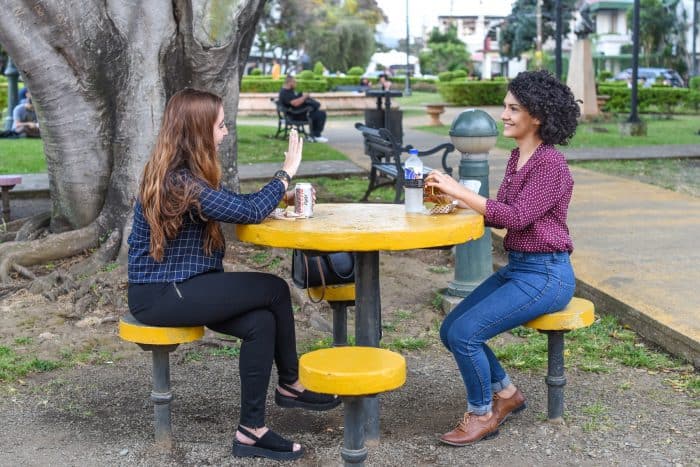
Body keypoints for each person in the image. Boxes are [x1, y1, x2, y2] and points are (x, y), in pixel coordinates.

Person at [127, 89, 340, 461]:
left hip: (185, 286)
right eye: (220, 125)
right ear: (197, 131)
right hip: (160, 295)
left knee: (260, 322)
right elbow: (250, 212)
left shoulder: (190, 176)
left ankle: (250, 431)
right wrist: (285, 174)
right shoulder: (180, 182)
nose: (225, 132)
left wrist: (281, 197)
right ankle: (290, 384)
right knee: (273, 289)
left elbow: (241, 206)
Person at [424, 70, 580, 446]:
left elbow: (513, 217)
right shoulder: (517, 157)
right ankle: (507, 394)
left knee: (464, 334)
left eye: (514, 109)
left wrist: (459, 189)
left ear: (538, 116)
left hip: (547, 275)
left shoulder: (550, 165)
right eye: (505, 107)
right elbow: (502, 209)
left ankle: (481, 414)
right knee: (451, 330)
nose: (505, 115)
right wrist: (453, 198)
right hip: (521, 268)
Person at [278, 75, 328, 143]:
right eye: (295, 82)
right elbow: (294, 103)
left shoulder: (289, 91)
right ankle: (316, 136)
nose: (296, 84)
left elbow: (294, 100)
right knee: (320, 115)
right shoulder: (284, 92)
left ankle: (314, 135)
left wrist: (301, 95)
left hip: (298, 113)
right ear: (290, 82)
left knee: (318, 112)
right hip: (295, 115)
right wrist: (304, 97)